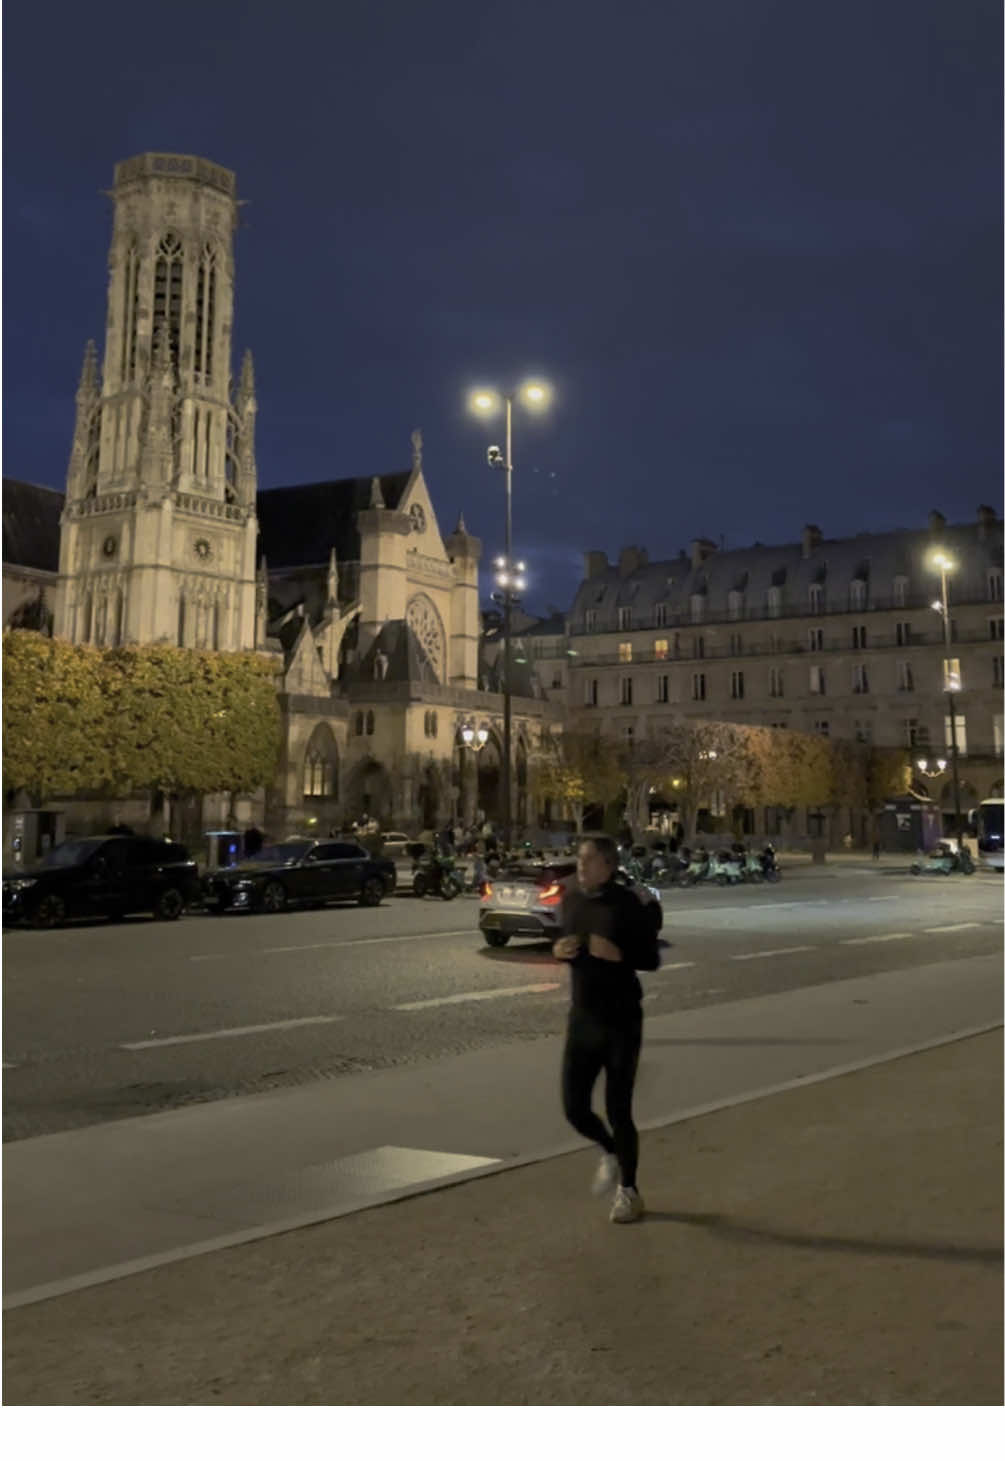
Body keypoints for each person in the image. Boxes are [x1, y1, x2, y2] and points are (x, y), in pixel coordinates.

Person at [553, 835, 660, 1224]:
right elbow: (561, 937)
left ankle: (629, 1192)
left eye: (590, 859)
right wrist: (558, 950)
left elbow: (650, 958)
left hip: (621, 1019)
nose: (581, 865)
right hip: (582, 1018)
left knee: (619, 1108)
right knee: (574, 1107)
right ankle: (610, 1150)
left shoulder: (627, 904)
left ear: (608, 865)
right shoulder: (572, 900)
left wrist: (619, 954)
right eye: (580, 858)